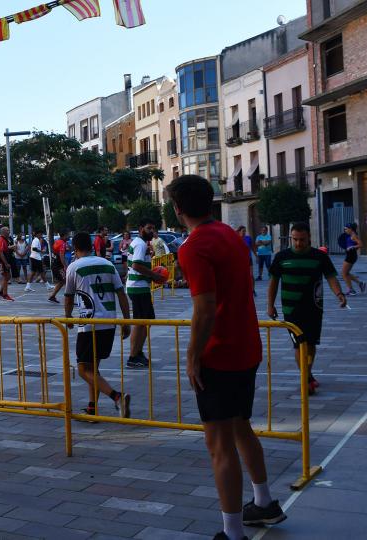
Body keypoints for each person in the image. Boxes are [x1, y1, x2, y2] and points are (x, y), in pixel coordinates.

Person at [169, 175, 286, 540]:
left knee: (218, 444)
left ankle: (233, 532)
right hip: (247, 347)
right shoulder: (230, 236)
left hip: (220, 354)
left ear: (177, 209)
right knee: (240, 426)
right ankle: (264, 502)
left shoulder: (193, 246)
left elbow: (204, 309)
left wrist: (192, 356)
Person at [268, 222, 347, 395]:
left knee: (311, 344)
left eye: (302, 240)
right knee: (299, 344)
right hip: (291, 309)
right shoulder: (282, 257)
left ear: (309, 237)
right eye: (294, 239)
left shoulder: (319, 257)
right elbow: (273, 282)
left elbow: (331, 276)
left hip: (314, 307)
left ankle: (308, 373)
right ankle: (305, 378)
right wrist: (270, 305)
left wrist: (339, 294)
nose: (298, 243)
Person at [64, 232, 132, 418]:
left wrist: (68, 317)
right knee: (94, 369)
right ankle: (92, 407)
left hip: (88, 324)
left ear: (75, 248)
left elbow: (68, 298)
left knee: (83, 370)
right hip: (108, 322)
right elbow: (121, 294)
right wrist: (126, 321)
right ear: (92, 246)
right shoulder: (108, 264)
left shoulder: (74, 267)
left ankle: (117, 397)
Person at [126, 219, 166, 369]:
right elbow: (136, 265)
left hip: (139, 287)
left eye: (153, 228)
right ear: (141, 228)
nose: (152, 231)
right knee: (140, 322)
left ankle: (138, 353)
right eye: (149, 228)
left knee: (145, 322)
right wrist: (154, 275)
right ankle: (133, 356)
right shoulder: (140, 244)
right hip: (137, 287)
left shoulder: (141, 243)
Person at [340, 223, 366, 296]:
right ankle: (360, 283)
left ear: (350, 229)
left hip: (351, 256)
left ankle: (351, 290)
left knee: (344, 273)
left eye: (346, 229)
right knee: (346, 273)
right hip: (350, 255)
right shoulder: (350, 235)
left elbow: (361, 244)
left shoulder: (354, 236)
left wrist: (352, 247)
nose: (345, 230)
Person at [48, 230, 69, 303]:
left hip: (55, 264)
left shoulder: (58, 241)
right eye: (68, 235)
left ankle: (52, 296)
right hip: (58, 265)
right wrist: (65, 266)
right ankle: (69, 298)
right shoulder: (62, 243)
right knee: (65, 280)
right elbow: (61, 255)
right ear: (64, 235)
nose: (69, 236)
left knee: (62, 281)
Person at [0, 227, 14, 301]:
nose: (9, 231)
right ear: (3, 232)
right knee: (6, 276)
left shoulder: (5, 240)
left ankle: (1, 292)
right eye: (7, 230)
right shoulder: (1, 240)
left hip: (4, 260)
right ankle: (5, 295)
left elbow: (5, 249)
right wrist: (6, 263)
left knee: (7, 276)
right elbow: (0, 252)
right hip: (2, 261)